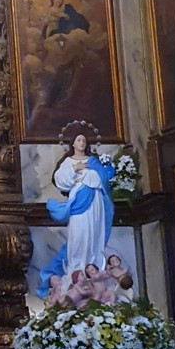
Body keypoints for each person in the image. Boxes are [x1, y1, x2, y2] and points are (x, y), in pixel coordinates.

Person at [38, 123, 115, 295]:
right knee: (78, 235)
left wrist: (95, 171)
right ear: (72, 143)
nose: (82, 143)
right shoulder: (68, 162)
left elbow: (104, 178)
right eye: (79, 140)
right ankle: (76, 271)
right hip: (79, 201)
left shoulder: (93, 161)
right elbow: (60, 179)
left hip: (95, 201)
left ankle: (93, 269)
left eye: (84, 140)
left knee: (94, 234)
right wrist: (76, 168)